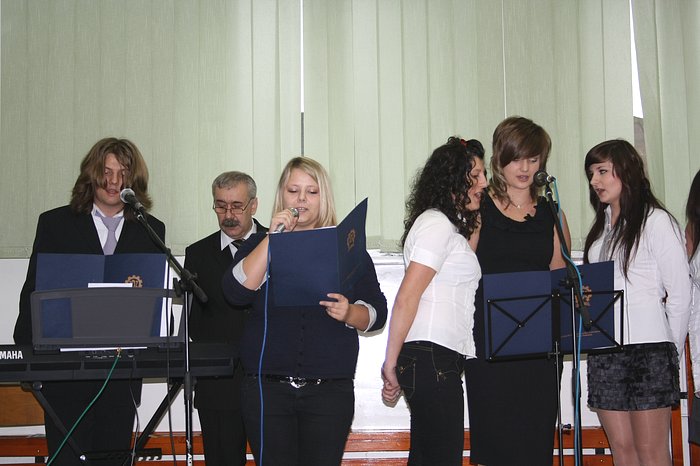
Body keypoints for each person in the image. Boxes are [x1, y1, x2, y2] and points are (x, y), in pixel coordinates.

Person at [222, 156, 388, 466]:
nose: (301, 199)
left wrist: (349, 313)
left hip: (329, 392)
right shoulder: (259, 242)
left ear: (324, 197)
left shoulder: (347, 248)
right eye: (293, 190)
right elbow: (235, 291)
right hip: (267, 391)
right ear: (281, 195)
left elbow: (378, 312)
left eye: (312, 192)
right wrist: (273, 239)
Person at [13, 137, 165, 466]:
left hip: (121, 375)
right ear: (91, 175)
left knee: (112, 458)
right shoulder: (56, 223)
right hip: (64, 374)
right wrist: (26, 356)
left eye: (123, 173)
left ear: (134, 180)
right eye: (106, 172)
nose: (113, 181)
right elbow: (33, 291)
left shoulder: (150, 229)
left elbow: (151, 299)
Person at [463, 116, 570, 466]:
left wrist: (576, 292)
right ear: (499, 159)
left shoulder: (552, 213)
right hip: (489, 343)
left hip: (540, 349)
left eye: (533, 159)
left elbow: (560, 274)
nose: (524, 168)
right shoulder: (479, 209)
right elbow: (462, 271)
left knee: (534, 446)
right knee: (494, 445)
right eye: (516, 158)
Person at [381, 137, 488, 465]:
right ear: (453, 179)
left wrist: (474, 215)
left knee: (429, 457)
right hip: (431, 357)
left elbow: (465, 263)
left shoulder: (447, 227)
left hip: (435, 358)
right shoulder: (436, 225)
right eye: (476, 176)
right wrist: (389, 364)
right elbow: (407, 297)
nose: (484, 183)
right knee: (441, 457)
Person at [583, 139, 690, 466]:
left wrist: (669, 351)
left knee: (651, 452)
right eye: (591, 173)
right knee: (623, 451)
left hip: (649, 350)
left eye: (602, 171)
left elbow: (680, 295)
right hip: (605, 350)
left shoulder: (656, 221)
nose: (594, 181)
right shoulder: (601, 231)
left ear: (626, 170)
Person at [184, 171, 266, 466]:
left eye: (237, 206)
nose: (228, 215)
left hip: (270, 382)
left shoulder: (276, 243)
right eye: (221, 206)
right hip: (218, 385)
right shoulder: (197, 254)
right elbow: (194, 324)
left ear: (253, 205)